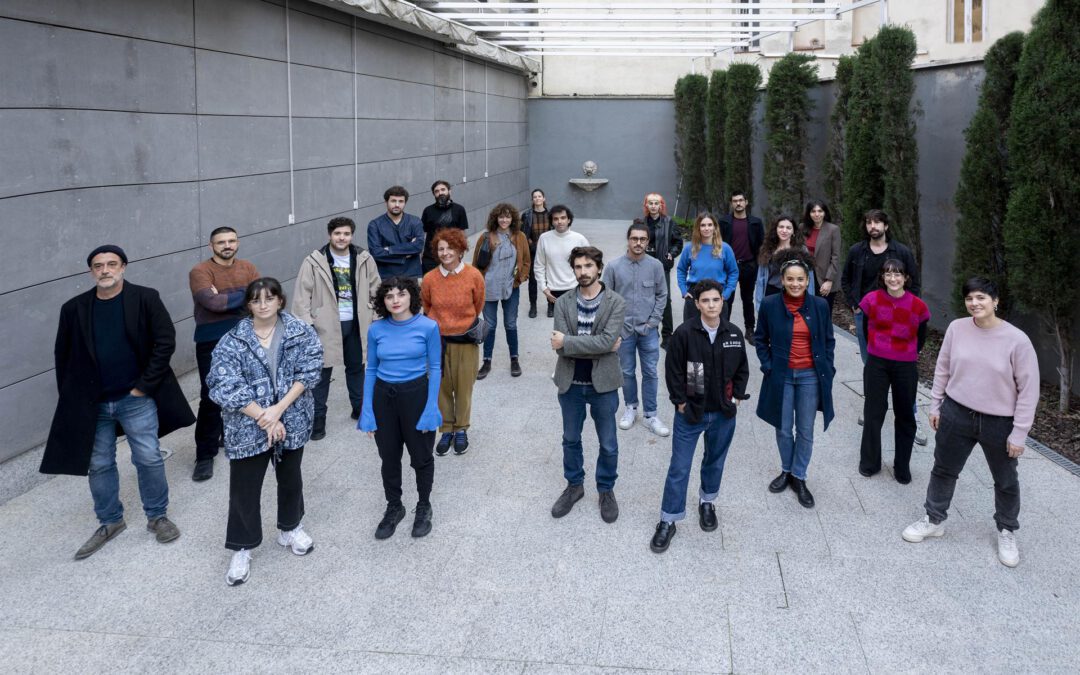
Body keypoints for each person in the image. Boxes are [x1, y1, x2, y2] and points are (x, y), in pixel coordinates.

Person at [43, 245, 194, 560]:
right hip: (93, 404)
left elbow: (164, 341)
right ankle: (110, 521)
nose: (105, 270)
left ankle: (157, 517)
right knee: (99, 465)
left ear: (123, 267)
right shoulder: (74, 308)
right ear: (91, 272)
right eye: (98, 266)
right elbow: (63, 356)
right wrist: (73, 399)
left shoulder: (145, 298)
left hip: (134, 398)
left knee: (148, 457)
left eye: (112, 264)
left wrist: (143, 387)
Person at [902, 277, 1039, 568]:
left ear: (995, 301)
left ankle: (1007, 529)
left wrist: (1019, 433)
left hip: (999, 422)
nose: (974, 303)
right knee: (943, 469)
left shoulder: (1017, 340)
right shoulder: (957, 328)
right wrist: (936, 403)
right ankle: (934, 519)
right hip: (957, 413)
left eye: (981, 298)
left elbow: (1029, 390)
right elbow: (943, 367)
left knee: (1005, 480)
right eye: (969, 299)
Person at [208, 278, 323, 586]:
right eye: (256, 300)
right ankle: (242, 547)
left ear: (279, 302)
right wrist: (264, 416)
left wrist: (278, 410)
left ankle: (290, 528)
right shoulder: (232, 340)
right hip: (247, 425)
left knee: (290, 478)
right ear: (249, 305)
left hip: (292, 417)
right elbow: (221, 384)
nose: (263, 305)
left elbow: (310, 371)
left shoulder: (300, 332)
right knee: (244, 488)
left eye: (269, 299)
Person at [650, 279, 749, 553]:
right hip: (691, 413)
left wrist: (737, 396)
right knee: (679, 468)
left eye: (716, 300)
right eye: (705, 300)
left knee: (714, 461)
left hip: (723, 413)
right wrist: (680, 402)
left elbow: (742, 368)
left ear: (723, 302)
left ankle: (707, 502)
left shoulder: (733, 333)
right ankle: (668, 520)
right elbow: (674, 372)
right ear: (697, 304)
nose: (711, 305)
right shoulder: (684, 334)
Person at [359, 277, 442, 540]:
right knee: (389, 457)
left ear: (411, 297)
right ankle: (394, 506)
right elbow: (371, 369)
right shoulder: (376, 329)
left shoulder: (428, 327)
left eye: (401, 294)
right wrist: (367, 410)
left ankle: (423, 505)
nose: (395, 300)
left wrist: (432, 407)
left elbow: (436, 368)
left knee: (421, 456)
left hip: (415, 394)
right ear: (382, 301)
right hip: (384, 397)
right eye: (389, 296)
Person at [550, 246, 626, 523]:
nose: (583, 272)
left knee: (608, 443)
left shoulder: (616, 302)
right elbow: (559, 350)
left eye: (588, 266)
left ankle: (605, 489)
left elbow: (601, 341)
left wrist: (569, 342)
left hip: (603, 384)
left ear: (599, 268)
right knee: (570, 439)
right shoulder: (563, 303)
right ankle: (574, 486)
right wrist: (602, 346)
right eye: (578, 267)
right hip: (570, 383)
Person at [754, 249, 835, 509]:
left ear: (808, 280)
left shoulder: (820, 306)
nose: (795, 284)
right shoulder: (769, 305)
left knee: (806, 429)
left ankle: (799, 476)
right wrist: (768, 367)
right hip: (782, 375)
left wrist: (828, 368)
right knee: (782, 426)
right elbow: (760, 339)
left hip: (811, 375)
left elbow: (829, 341)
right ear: (782, 280)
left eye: (800, 279)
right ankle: (786, 469)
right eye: (790, 279)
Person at [840, 208, 926, 443]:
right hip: (867, 317)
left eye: (878, 222)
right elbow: (845, 279)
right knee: (871, 366)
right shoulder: (857, 251)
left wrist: (910, 312)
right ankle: (871, 412)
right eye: (869, 222)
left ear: (886, 226)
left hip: (899, 319)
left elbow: (915, 283)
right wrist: (855, 305)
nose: (873, 226)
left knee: (905, 372)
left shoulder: (902, 252)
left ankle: (912, 418)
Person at [292, 216, 381, 440]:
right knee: (322, 372)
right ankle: (318, 418)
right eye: (337, 234)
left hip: (356, 321)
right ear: (330, 235)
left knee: (356, 367)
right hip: (325, 325)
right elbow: (301, 297)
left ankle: (359, 409)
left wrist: (376, 316)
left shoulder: (363, 258)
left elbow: (376, 288)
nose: (342, 238)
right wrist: (307, 325)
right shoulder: (314, 261)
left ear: (352, 235)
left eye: (346, 234)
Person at [189, 226, 260, 481]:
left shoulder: (248, 267)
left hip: (245, 335)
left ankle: (244, 439)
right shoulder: (200, 271)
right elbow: (211, 303)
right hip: (211, 339)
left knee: (248, 389)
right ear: (211, 246)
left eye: (231, 241)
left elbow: (260, 297)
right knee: (211, 396)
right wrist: (244, 296)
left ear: (238, 243)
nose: (227, 245)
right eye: (221, 242)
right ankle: (204, 455)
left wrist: (230, 297)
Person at [858, 258, 930, 483]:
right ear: (882, 277)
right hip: (877, 362)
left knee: (905, 415)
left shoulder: (918, 306)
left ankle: (902, 466)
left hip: (905, 365)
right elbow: (864, 329)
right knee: (873, 412)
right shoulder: (870, 300)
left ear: (906, 278)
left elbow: (921, 337)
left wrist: (905, 353)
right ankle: (870, 462)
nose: (893, 278)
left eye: (898, 274)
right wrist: (878, 348)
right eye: (888, 273)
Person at [602, 221, 670, 436]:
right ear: (628, 240)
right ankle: (631, 407)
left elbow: (662, 295)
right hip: (624, 331)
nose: (638, 243)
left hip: (648, 330)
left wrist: (653, 322)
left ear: (648, 242)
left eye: (642, 239)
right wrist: (615, 326)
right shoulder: (613, 267)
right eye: (634, 239)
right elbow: (606, 297)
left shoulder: (656, 266)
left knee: (650, 372)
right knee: (627, 371)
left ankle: (651, 414)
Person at [421, 228, 485, 456]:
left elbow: (478, 304)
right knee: (441, 388)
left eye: (450, 248)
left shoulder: (473, 275)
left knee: (464, 387)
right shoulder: (429, 278)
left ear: (460, 249)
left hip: (465, 341)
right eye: (441, 249)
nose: (445, 253)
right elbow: (427, 307)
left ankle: (461, 429)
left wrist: (461, 323)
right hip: (438, 341)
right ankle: (446, 429)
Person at [472, 203, 531, 380]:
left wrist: (521, 278)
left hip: (510, 288)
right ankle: (487, 361)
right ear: (495, 218)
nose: (504, 220)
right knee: (489, 326)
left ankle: (514, 359)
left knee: (511, 324)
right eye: (501, 217)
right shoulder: (485, 237)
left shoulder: (519, 237)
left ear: (512, 218)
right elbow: (475, 265)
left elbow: (527, 261)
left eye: (507, 217)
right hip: (488, 288)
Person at [676, 212, 739, 324]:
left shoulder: (725, 248)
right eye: (703, 225)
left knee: (719, 333)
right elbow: (681, 269)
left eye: (710, 225)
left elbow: (733, 272)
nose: (706, 228)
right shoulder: (690, 248)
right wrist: (683, 290)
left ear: (715, 227)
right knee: (692, 333)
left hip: (718, 294)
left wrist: (727, 293)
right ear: (698, 228)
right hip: (694, 295)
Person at [718, 191, 765, 341]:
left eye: (740, 200)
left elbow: (761, 245)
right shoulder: (724, 222)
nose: (738, 203)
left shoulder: (755, 223)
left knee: (747, 299)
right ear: (732, 203)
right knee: (727, 299)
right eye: (735, 201)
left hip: (749, 266)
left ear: (746, 202)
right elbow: (718, 244)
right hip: (729, 268)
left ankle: (750, 330)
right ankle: (724, 328)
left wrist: (757, 265)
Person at [641, 193, 684, 348]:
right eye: (650, 203)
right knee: (646, 299)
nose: (653, 206)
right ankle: (651, 331)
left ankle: (667, 335)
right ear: (646, 205)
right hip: (643, 265)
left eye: (656, 203)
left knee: (665, 300)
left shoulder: (669, 222)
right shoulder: (640, 223)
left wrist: (671, 254)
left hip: (661, 265)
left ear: (661, 205)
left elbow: (678, 242)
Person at [534, 204, 589, 319]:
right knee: (558, 329)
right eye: (556, 219)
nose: (559, 221)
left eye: (563, 218)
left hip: (575, 289)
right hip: (553, 292)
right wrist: (544, 289)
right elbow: (539, 266)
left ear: (569, 220)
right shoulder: (544, 238)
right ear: (552, 221)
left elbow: (590, 265)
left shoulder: (579, 239)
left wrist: (585, 286)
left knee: (576, 324)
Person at [753, 214, 816, 313]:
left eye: (788, 228)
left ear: (793, 231)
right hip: (772, 293)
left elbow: (810, 277)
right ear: (776, 229)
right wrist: (759, 304)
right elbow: (761, 279)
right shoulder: (767, 249)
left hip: (794, 292)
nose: (784, 230)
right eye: (781, 227)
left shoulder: (801, 249)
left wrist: (811, 300)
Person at [367, 185, 425, 280]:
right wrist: (406, 252)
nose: (397, 205)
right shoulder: (375, 224)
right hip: (386, 277)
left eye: (401, 201)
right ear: (386, 202)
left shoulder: (415, 221)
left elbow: (418, 246)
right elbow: (376, 253)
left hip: (412, 275)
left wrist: (389, 249)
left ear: (405, 203)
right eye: (393, 201)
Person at [801, 200, 841, 315]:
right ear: (809, 213)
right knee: (807, 312)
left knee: (823, 313)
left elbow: (836, 256)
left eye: (820, 211)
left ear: (825, 213)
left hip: (824, 278)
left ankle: (825, 333)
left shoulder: (833, 229)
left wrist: (829, 280)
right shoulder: (802, 228)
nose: (817, 214)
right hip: (806, 276)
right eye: (813, 211)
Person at [420, 180, 469, 275]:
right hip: (431, 258)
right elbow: (423, 233)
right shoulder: (427, 210)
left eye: (443, 190)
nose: (440, 193)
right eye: (436, 191)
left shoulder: (459, 209)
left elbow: (462, 233)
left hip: (451, 255)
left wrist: (461, 251)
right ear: (434, 194)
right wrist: (421, 254)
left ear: (449, 191)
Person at [521, 188, 551, 318]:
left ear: (544, 198)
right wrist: (532, 246)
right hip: (533, 252)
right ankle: (533, 306)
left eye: (539, 196)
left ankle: (551, 306)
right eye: (535, 197)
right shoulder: (527, 215)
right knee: (533, 281)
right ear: (532, 200)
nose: (537, 198)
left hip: (549, 252)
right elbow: (523, 234)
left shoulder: (550, 215)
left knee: (550, 280)